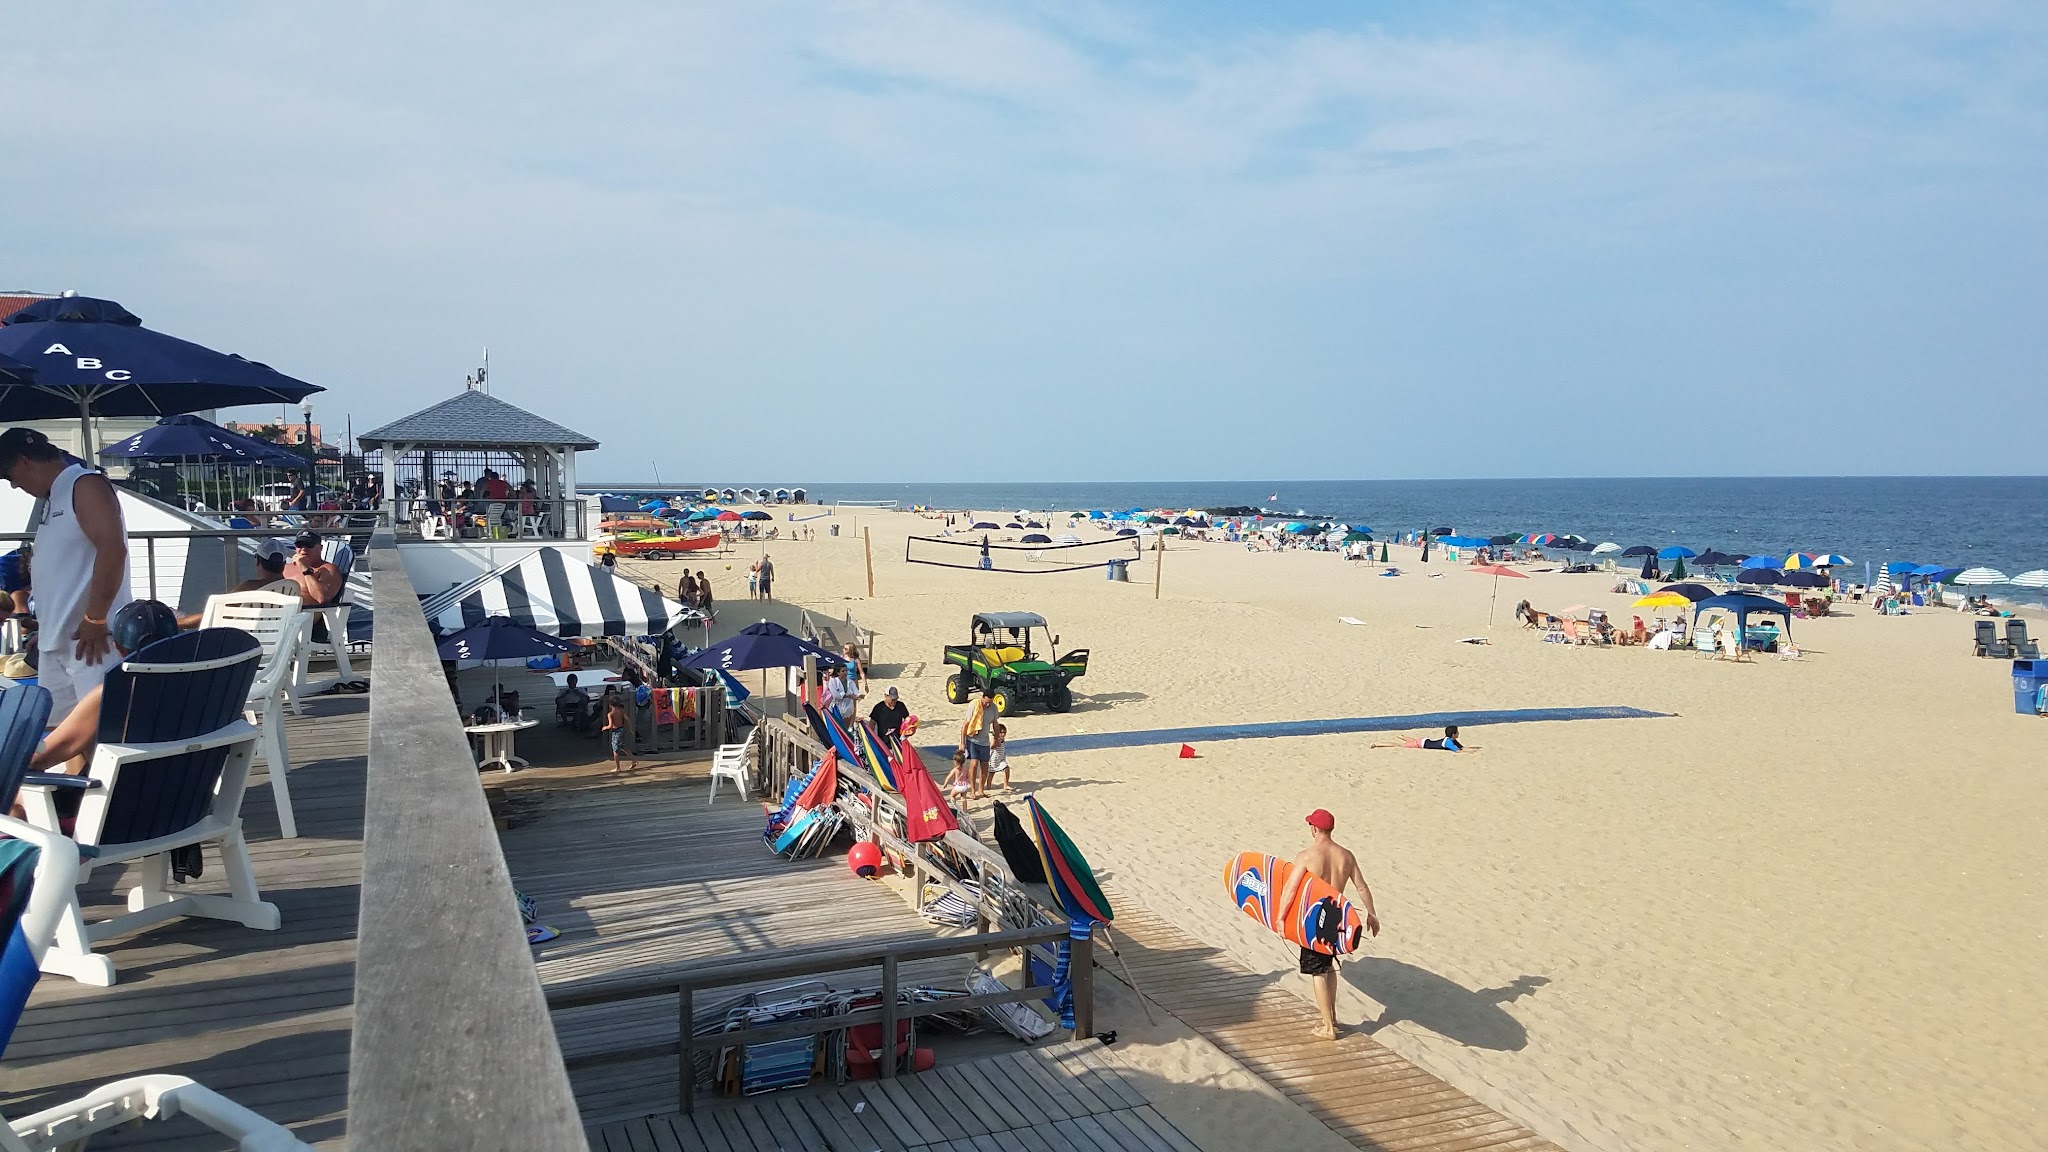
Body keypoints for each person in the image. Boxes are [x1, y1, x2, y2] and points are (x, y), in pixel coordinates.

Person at [0, 427, 134, 724]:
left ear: (23, 461)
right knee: (61, 732)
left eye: (8, 476)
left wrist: (95, 619)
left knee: (101, 731)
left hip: (91, 639)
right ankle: (77, 774)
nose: (12, 485)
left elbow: (113, 550)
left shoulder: (85, 484)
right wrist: (47, 630)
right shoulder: (57, 494)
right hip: (60, 639)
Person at [31, 599, 181, 774]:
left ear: (117, 646)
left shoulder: (113, 695)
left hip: (115, 796)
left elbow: (40, 759)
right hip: (188, 794)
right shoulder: (204, 688)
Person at [1295, 809, 1379, 1040]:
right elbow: (1361, 887)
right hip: (1337, 917)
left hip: (1315, 919)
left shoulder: (1306, 856)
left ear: (1314, 828)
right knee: (1329, 967)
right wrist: (1371, 914)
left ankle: (1328, 1028)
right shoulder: (1346, 856)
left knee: (1318, 972)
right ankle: (1330, 1019)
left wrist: (1282, 918)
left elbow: (1292, 889)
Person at [175, 546, 299, 629]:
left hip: (244, 644)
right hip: (279, 642)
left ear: (257, 562)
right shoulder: (291, 589)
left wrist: (178, 624)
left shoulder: (249, 587)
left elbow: (215, 613)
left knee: (173, 615)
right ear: (283, 564)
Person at [960, 692, 996, 800]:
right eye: (986, 702)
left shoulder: (993, 708)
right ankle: (972, 791)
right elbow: (966, 724)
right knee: (974, 764)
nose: (988, 705)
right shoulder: (974, 705)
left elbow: (995, 723)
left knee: (985, 765)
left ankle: (981, 790)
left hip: (985, 741)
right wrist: (962, 742)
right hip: (972, 739)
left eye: (990, 702)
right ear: (982, 698)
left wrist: (997, 738)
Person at [601, 690, 636, 774]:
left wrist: (605, 727)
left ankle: (618, 767)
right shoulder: (621, 711)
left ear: (610, 705)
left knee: (615, 750)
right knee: (623, 747)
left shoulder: (610, 714)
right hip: (622, 729)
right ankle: (634, 760)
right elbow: (627, 719)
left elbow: (610, 725)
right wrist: (630, 729)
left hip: (616, 731)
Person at [1371, 725, 1470, 752]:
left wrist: (1472, 749)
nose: (1458, 733)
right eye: (1457, 732)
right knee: (1398, 745)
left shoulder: (1450, 740)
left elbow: (1461, 747)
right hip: (1422, 743)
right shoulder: (1448, 742)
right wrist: (1469, 752)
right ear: (1453, 734)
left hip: (1424, 741)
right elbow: (1457, 751)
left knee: (1414, 741)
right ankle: (1377, 744)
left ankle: (1401, 736)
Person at [989, 722, 1010, 791]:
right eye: (1001, 732)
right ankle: (988, 785)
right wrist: (996, 742)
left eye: (1004, 732)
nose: (1003, 734)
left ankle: (1006, 785)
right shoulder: (994, 739)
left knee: (1006, 768)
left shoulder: (1002, 739)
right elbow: (991, 746)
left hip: (1001, 758)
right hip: (994, 759)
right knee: (992, 772)